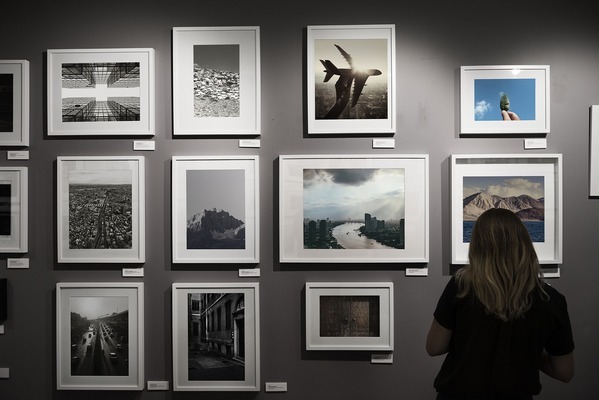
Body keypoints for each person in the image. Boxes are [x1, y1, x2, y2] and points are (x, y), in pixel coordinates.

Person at [426, 208, 574, 400]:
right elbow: (564, 372)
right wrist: (527, 351)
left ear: (477, 245)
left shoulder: (461, 287)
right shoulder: (551, 298)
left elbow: (434, 347)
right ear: (525, 244)